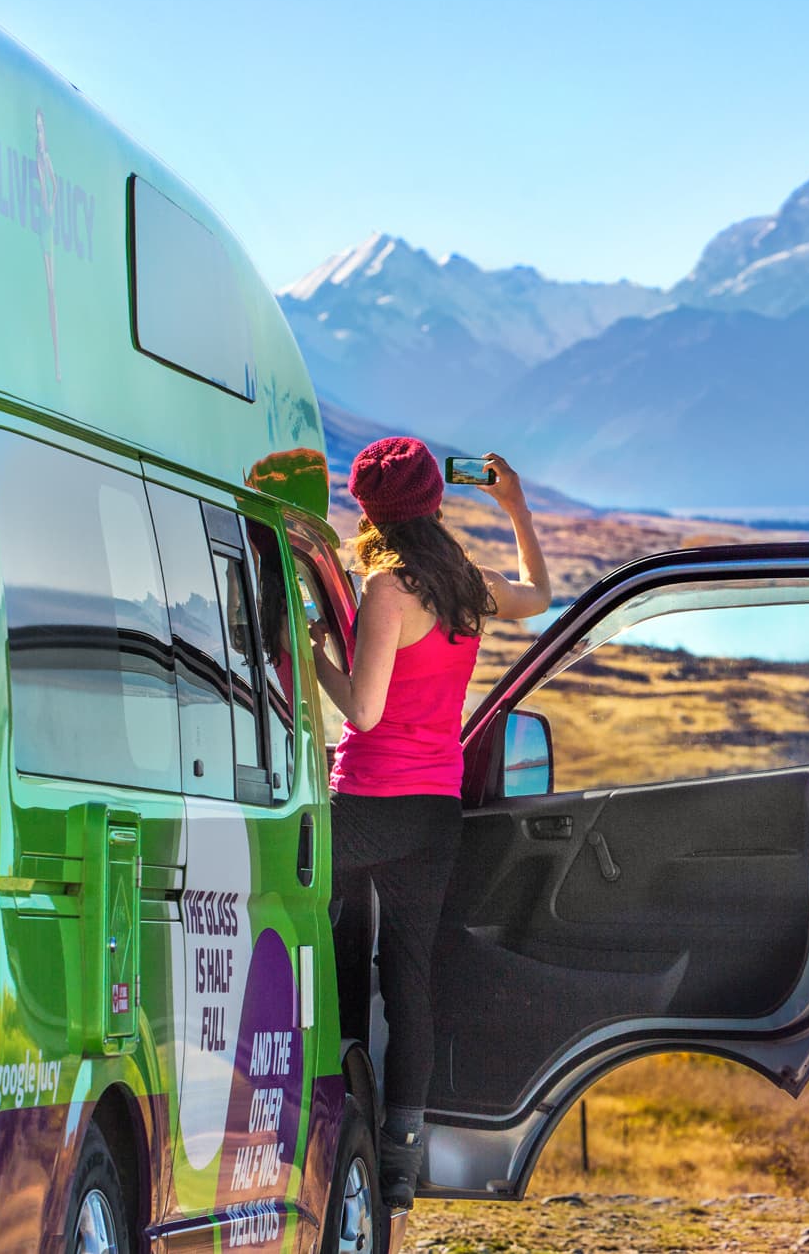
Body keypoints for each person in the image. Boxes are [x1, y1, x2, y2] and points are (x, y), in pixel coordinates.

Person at [309, 437, 551, 1208]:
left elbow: (363, 709)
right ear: (434, 501)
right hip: (435, 811)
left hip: (368, 800)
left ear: (370, 510)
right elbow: (539, 594)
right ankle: (399, 1164)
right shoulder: (465, 583)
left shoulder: (388, 586)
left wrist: (313, 654)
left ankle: (331, 1115)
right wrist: (514, 504)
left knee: (325, 939)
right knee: (408, 982)